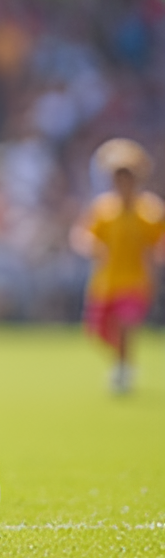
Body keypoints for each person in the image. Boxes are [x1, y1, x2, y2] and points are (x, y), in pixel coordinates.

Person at [71, 138, 165, 394]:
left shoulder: (149, 211)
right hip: (105, 282)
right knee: (97, 330)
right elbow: (84, 234)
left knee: (125, 324)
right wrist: (90, 246)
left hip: (136, 281)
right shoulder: (104, 209)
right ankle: (122, 361)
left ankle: (124, 370)